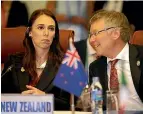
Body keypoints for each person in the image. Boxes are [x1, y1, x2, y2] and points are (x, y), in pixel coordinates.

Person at [1, 9, 71, 110]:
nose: (46, 33)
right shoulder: (13, 63)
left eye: (51, 29)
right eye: (40, 27)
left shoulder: (65, 64)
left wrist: (45, 98)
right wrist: (19, 100)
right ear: (30, 32)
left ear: (55, 34)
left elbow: (70, 104)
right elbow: (2, 97)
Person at [89, 10, 143, 110]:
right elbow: (97, 106)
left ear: (115, 34)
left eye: (95, 33)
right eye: (90, 35)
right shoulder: (95, 67)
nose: (91, 40)